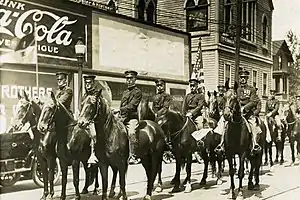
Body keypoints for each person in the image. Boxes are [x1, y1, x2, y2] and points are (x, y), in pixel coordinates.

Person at [216, 69, 261, 151]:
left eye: (244, 77)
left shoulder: (252, 89)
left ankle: (255, 144)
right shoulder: (235, 89)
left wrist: (245, 108)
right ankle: (221, 143)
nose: (242, 79)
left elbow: (254, 101)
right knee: (222, 123)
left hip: (247, 113)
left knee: (253, 125)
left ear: (247, 78)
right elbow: (230, 100)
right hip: (235, 113)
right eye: (241, 77)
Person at [113, 70, 142, 164]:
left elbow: (132, 106)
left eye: (131, 78)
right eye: (127, 79)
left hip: (131, 118)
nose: (129, 81)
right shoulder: (125, 92)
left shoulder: (137, 92)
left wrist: (119, 110)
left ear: (135, 79)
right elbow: (123, 104)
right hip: (122, 117)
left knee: (131, 133)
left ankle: (133, 156)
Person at [81, 75, 100, 164]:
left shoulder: (97, 94)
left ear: (93, 83)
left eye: (89, 83)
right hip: (84, 118)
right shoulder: (85, 95)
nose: (87, 85)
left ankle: (93, 154)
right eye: (86, 83)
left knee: (94, 134)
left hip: (94, 119)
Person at [152, 78, 173, 149]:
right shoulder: (155, 97)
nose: (159, 87)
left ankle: (168, 142)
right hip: (156, 116)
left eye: (161, 85)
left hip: (165, 115)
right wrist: (154, 113)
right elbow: (153, 107)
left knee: (166, 125)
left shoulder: (167, 96)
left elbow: (165, 107)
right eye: (158, 85)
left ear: (164, 86)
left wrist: (157, 114)